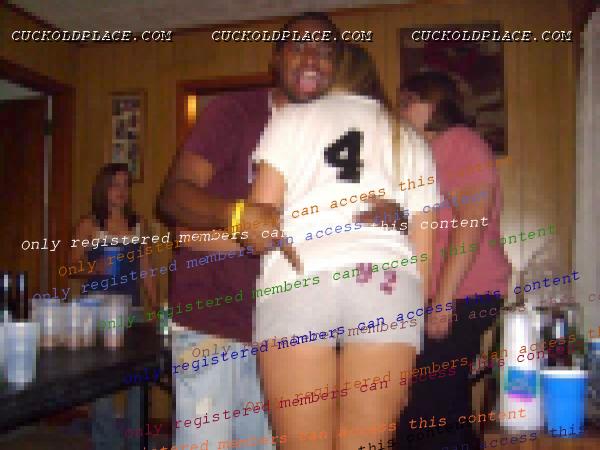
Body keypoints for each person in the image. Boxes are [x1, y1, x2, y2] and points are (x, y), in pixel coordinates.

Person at [157, 12, 341, 449]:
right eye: (299, 47)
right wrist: (239, 216)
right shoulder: (234, 112)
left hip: (283, 328)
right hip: (212, 321)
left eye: (324, 51)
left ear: (336, 67)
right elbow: (173, 198)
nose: (311, 58)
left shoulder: (333, 134)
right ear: (276, 59)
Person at [249, 42, 440, 450]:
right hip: (385, 284)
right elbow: (424, 239)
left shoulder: (291, 117)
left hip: (300, 277)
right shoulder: (406, 135)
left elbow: (259, 219)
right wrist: (414, 312)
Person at [396, 71, 511, 448]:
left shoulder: (458, 142)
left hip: (462, 293)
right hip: (449, 295)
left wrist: (443, 302)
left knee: (431, 414)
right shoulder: (429, 153)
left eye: (409, 101)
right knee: (434, 410)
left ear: (435, 104)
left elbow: (471, 223)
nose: (400, 111)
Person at [70, 162, 158, 450]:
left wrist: (156, 307)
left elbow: (146, 268)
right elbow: (70, 267)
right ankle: (106, 442)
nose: (121, 191)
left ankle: (135, 441)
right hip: (96, 310)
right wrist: (94, 267)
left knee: (137, 377)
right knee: (101, 380)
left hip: (131, 309)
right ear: (103, 188)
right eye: (114, 185)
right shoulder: (89, 224)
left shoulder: (138, 224)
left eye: (125, 185)